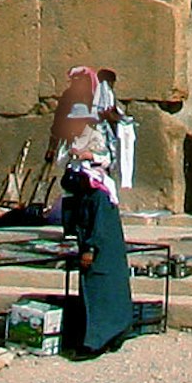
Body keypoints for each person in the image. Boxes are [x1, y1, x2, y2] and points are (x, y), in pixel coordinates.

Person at [56, 132, 135, 358]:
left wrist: (89, 249)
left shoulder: (99, 197)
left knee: (102, 294)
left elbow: (98, 228)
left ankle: (98, 340)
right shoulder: (83, 196)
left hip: (102, 254)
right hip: (94, 251)